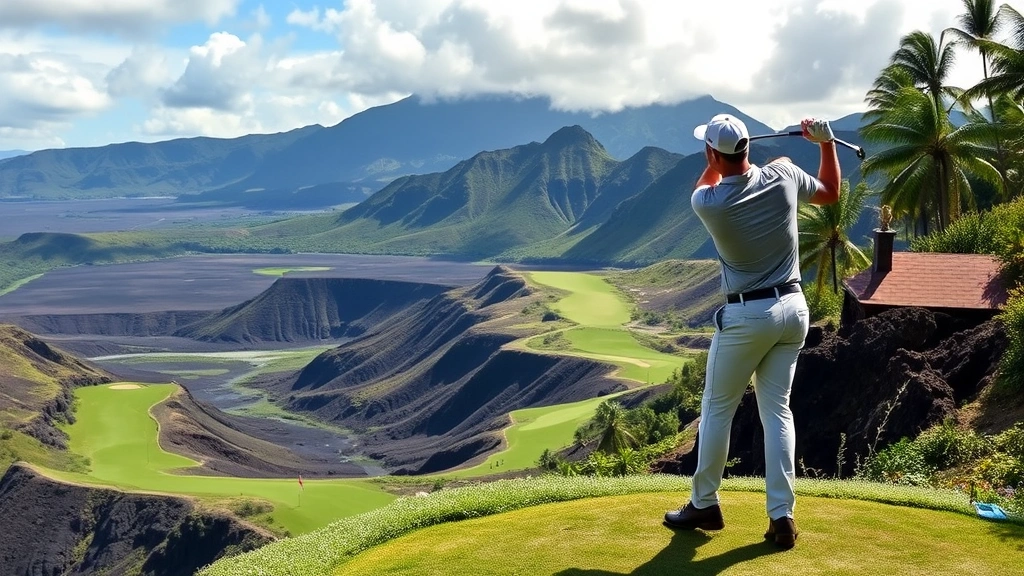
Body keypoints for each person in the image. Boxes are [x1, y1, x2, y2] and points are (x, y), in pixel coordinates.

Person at [661, 113, 840, 550]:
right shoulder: (782, 174)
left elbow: (703, 183)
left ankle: (704, 503)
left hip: (745, 316)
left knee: (718, 408)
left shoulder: (709, 204)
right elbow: (831, 193)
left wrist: (713, 158)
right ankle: (782, 517)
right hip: (794, 309)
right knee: (777, 411)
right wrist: (827, 143)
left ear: (711, 154)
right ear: (747, 147)